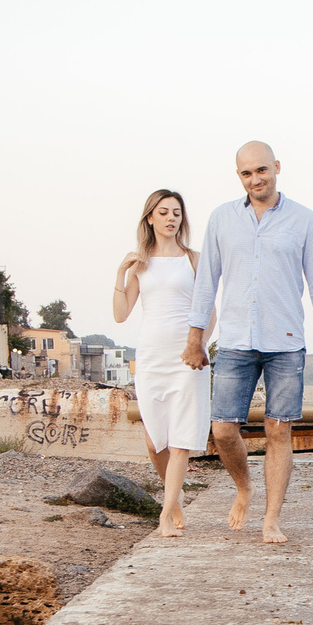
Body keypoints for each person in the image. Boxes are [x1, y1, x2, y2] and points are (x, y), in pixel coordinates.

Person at [183, 141, 313, 544]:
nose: (255, 179)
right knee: (221, 430)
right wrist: (195, 337)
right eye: (246, 173)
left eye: (261, 171)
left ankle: (271, 519)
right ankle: (244, 487)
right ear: (239, 176)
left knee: (278, 432)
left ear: (277, 168)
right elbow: (206, 283)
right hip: (235, 338)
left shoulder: (304, 220)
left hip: (286, 341)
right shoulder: (221, 219)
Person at [112, 188, 206, 537]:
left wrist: (198, 344)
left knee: (180, 438)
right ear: (150, 217)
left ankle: (166, 512)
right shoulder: (141, 264)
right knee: (155, 442)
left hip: (186, 356)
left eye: (177, 213)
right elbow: (121, 315)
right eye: (164, 212)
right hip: (151, 357)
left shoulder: (194, 259)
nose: (171, 218)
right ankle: (175, 498)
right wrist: (121, 275)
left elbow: (208, 310)